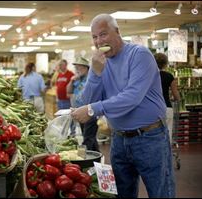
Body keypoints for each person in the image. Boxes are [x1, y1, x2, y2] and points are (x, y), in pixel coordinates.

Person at [70, 14, 175, 198]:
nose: (98, 41)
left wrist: (92, 109)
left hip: (150, 138)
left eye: (103, 35)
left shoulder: (139, 55)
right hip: (118, 140)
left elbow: (131, 97)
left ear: (117, 32)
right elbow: (87, 99)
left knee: (160, 192)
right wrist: (94, 72)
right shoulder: (102, 63)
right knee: (121, 193)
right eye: (94, 37)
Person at [67, 57, 99, 151]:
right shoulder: (78, 79)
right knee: (89, 136)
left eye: (79, 68)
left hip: (89, 111)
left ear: (86, 68)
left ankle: (86, 157)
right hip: (80, 111)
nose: (77, 70)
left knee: (88, 138)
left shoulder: (91, 79)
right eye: (76, 68)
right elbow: (68, 91)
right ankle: (96, 156)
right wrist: (72, 81)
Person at [154, 53, 181, 143]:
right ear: (165, 64)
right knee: (168, 131)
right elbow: (175, 94)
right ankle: (167, 154)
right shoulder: (169, 76)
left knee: (154, 132)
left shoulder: (150, 75)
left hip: (154, 108)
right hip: (167, 107)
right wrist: (177, 99)